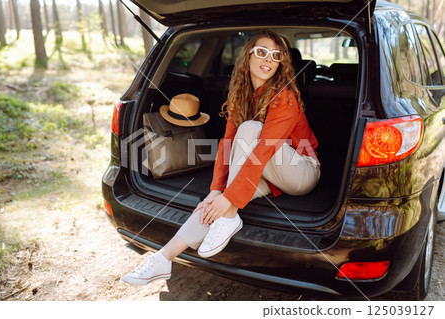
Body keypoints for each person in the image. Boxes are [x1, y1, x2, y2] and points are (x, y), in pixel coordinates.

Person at [122, 30, 320, 286]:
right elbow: (227, 144)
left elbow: (263, 151)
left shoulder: (285, 98)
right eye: (261, 52)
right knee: (212, 203)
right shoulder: (240, 94)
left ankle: (229, 218)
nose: (268, 59)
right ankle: (163, 258)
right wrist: (216, 191)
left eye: (276, 55)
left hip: (301, 171)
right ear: (247, 56)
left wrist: (229, 200)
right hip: (269, 172)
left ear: (281, 63)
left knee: (249, 131)